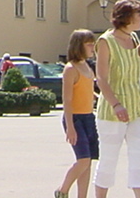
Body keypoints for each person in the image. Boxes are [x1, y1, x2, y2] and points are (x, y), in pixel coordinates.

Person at [94, 0, 140, 198]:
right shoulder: (106, 41)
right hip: (112, 110)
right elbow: (101, 78)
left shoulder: (134, 38)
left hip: (137, 107)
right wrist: (116, 105)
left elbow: (134, 73)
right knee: (108, 160)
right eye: (139, 14)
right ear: (127, 17)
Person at [56, 29, 99, 198]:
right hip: (75, 119)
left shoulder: (87, 66)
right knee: (83, 160)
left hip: (89, 117)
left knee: (88, 163)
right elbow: (67, 100)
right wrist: (70, 127)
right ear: (78, 46)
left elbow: (87, 90)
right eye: (89, 45)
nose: (92, 48)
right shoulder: (70, 69)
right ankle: (62, 190)